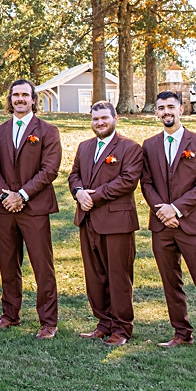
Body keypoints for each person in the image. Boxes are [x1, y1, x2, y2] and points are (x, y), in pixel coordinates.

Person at [142, 90, 196, 359]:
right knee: (171, 282)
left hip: (193, 224)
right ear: (156, 112)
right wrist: (162, 210)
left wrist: (176, 209)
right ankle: (181, 333)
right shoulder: (149, 145)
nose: (166, 112)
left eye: (171, 106)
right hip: (161, 225)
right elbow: (145, 182)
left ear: (181, 109)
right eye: (161, 108)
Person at [0, 78, 62, 340]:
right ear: (10, 99)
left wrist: (23, 194)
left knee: (42, 265)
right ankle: (10, 314)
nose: (19, 99)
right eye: (15, 95)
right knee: (8, 264)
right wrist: (6, 194)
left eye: (24, 95)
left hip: (35, 207)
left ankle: (48, 321)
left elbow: (49, 169)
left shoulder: (48, 131)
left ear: (33, 100)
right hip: (5, 206)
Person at [66, 101, 143, 346]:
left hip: (117, 222)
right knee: (95, 276)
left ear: (115, 118)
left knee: (118, 276)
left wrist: (93, 196)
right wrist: (78, 192)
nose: (99, 122)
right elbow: (74, 175)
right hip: (87, 220)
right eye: (95, 119)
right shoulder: (84, 147)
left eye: (104, 118)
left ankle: (122, 328)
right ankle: (103, 323)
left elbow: (127, 181)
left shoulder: (130, 148)